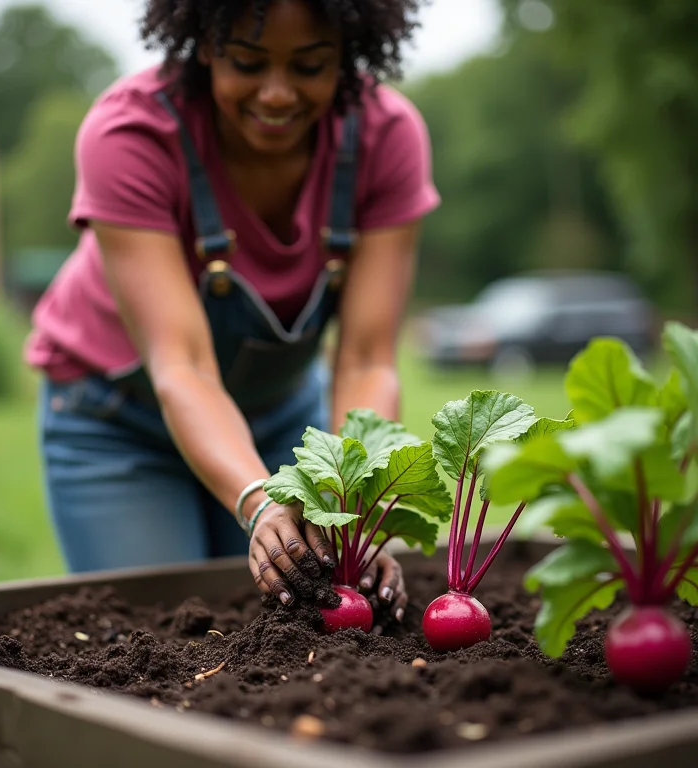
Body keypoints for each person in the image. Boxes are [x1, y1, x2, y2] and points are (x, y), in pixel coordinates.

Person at [25, 0, 440, 624]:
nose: (276, 94)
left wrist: (355, 511)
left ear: (348, 55)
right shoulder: (129, 134)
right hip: (116, 422)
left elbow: (365, 359)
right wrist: (259, 502)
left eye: (309, 66)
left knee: (288, 619)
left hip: (279, 413)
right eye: (247, 63)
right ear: (206, 46)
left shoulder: (386, 136)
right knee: (166, 638)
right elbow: (182, 364)